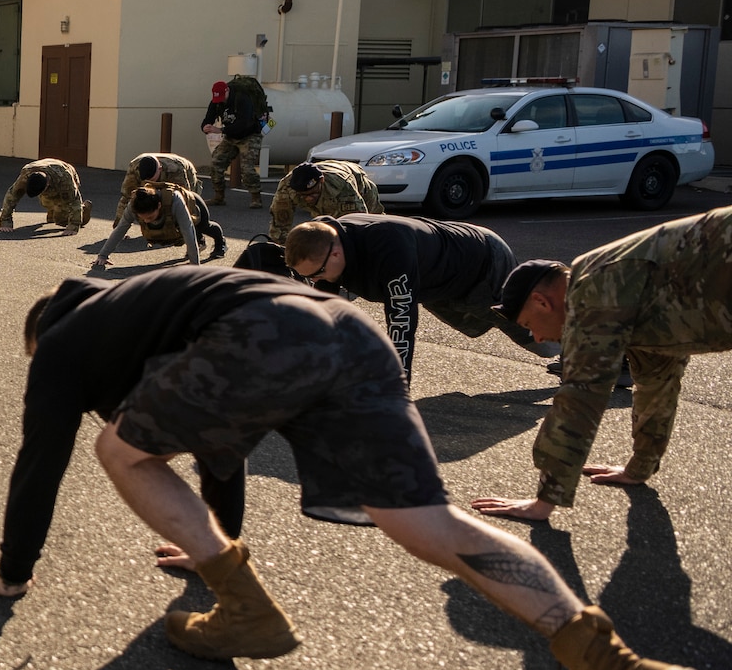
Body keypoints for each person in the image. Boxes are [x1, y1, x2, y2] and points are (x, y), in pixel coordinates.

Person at [0, 267, 707, 670]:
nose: (46, 371)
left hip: (268, 338)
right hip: (353, 340)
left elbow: (43, 455)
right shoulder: (154, 305)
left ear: (42, 334)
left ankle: (245, 605)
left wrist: (13, 569)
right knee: (426, 522)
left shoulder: (63, 341)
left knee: (119, 451)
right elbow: (221, 449)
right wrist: (209, 544)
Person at [472, 207, 732, 526]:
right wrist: (639, 467)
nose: (538, 337)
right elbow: (656, 379)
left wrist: (542, 503)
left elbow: (581, 398)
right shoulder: (626, 297)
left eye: (530, 324)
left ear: (542, 302)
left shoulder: (594, 290)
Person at [283, 214, 549, 387]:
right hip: (437, 281)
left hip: (481, 262)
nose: (315, 282)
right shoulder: (320, 239)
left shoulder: (388, 247)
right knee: (472, 327)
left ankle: (576, 355)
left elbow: (401, 320)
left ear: (336, 253)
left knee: (524, 327)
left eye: (317, 275)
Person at [92, 184, 225, 272]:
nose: (146, 221)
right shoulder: (134, 205)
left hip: (194, 207)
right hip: (175, 221)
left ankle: (221, 242)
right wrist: (103, 255)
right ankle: (200, 241)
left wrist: (194, 266)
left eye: (149, 217)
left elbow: (187, 230)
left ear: (159, 206)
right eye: (142, 218)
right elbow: (121, 228)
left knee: (203, 227)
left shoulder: (174, 201)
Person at [267, 159, 384, 243]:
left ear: (321, 181)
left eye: (312, 193)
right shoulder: (286, 188)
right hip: (328, 189)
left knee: (373, 227)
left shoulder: (343, 187)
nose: (308, 198)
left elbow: (357, 225)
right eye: (303, 195)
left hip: (360, 185)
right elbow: (279, 225)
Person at [202, 77, 270, 208]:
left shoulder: (242, 99)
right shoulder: (217, 102)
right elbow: (208, 118)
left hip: (250, 134)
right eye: (218, 98)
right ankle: (219, 196)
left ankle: (256, 197)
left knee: (247, 168)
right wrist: (206, 127)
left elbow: (244, 124)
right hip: (230, 136)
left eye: (223, 97)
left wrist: (220, 130)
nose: (221, 100)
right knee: (216, 163)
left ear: (227, 90)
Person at [0, 159, 91, 231]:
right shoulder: (26, 174)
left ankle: (85, 209)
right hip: (46, 170)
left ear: (47, 185)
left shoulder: (64, 178)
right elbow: (12, 196)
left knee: (61, 220)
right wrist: (5, 221)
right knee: (45, 202)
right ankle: (53, 211)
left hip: (67, 171)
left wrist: (73, 226)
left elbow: (74, 200)